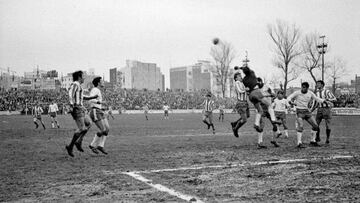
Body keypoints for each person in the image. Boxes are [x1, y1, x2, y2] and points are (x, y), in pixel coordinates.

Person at [236, 65, 281, 132]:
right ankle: (273, 119)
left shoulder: (244, 80)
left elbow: (247, 89)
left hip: (251, 96)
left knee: (260, 111)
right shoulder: (252, 73)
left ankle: (256, 124)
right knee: (269, 105)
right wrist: (241, 67)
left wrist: (240, 68)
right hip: (256, 92)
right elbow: (248, 70)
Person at [65, 71, 98, 157]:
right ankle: (70, 146)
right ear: (79, 77)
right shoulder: (75, 84)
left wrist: (92, 97)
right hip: (77, 108)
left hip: (81, 108)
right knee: (82, 128)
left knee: (89, 123)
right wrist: (72, 105)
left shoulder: (79, 86)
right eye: (83, 76)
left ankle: (79, 141)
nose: (84, 78)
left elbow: (82, 97)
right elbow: (70, 94)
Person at [287, 82, 325, 148]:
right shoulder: (297, 92)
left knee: (315, 126)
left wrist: (324, 101)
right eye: (302, 87)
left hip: (307, 111)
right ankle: (299, 143)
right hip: (299, 112)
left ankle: (312, 141)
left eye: (304, 87)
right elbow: (289, 97)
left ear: (307, 88)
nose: (303, 89)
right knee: (301, 126)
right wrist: (290, 101)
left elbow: (316, 98)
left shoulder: (310, 93)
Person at [256, 77, 280, 148]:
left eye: (258, 83)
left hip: (269, 108)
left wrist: (270, 94)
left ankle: (274, 140)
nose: (257, 85)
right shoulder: (256, 90)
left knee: (275, 125)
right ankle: (259, 143)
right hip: (261, 108)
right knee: (262, 125)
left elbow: (274, 95)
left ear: (261, 82)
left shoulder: (267, 87)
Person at [88, 77, 110, 155]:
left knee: (107, 128)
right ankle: (92, 145)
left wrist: (101, 106)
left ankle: (100, 146)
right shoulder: (95, 90)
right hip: (95, 111)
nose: (103, 82)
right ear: (98, 83)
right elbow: (90, 99)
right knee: (103, 129)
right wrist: (100, 102)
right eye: (102, 81)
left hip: (99, 110)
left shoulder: (98, 90)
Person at [315, 80, 337, 144]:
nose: (317, 85)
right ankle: (317, 137)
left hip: (326, 109)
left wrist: (328, 99)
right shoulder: (317, 93)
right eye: (317, 84)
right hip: (319, 109)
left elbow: (334, 99)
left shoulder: (327, 91)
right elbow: (316, 102)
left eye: (318, 84)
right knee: (316, 124)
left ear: (322, 85)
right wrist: (312, 109)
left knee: (327, 124)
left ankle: (327, 139)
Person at [231, 72, 250, 138]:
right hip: (241, 103)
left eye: (241, 76)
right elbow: (240, 91)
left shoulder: (242, 83)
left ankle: (234, 123)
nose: (241, 77)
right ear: (236, 78)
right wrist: (246, 89)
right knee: (244, 120)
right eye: (239, 76)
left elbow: (246, 92)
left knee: (247, 116)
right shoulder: (237, 83)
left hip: (245, 102)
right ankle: (235, 129)